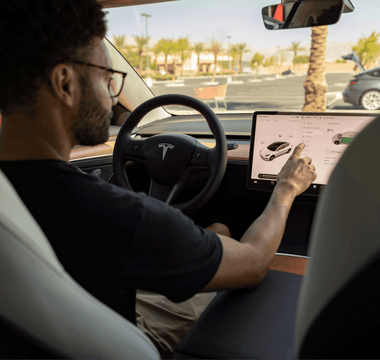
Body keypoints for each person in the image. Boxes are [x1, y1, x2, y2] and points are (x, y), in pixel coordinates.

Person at [0, 0, 317, 358]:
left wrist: (194, 238)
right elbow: (256, 263)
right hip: (121, 339)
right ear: (64, 83)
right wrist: (287, 188)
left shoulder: (13, 196)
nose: (113, 99)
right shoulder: (113, 216)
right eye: (108, 81)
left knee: (217, 234)